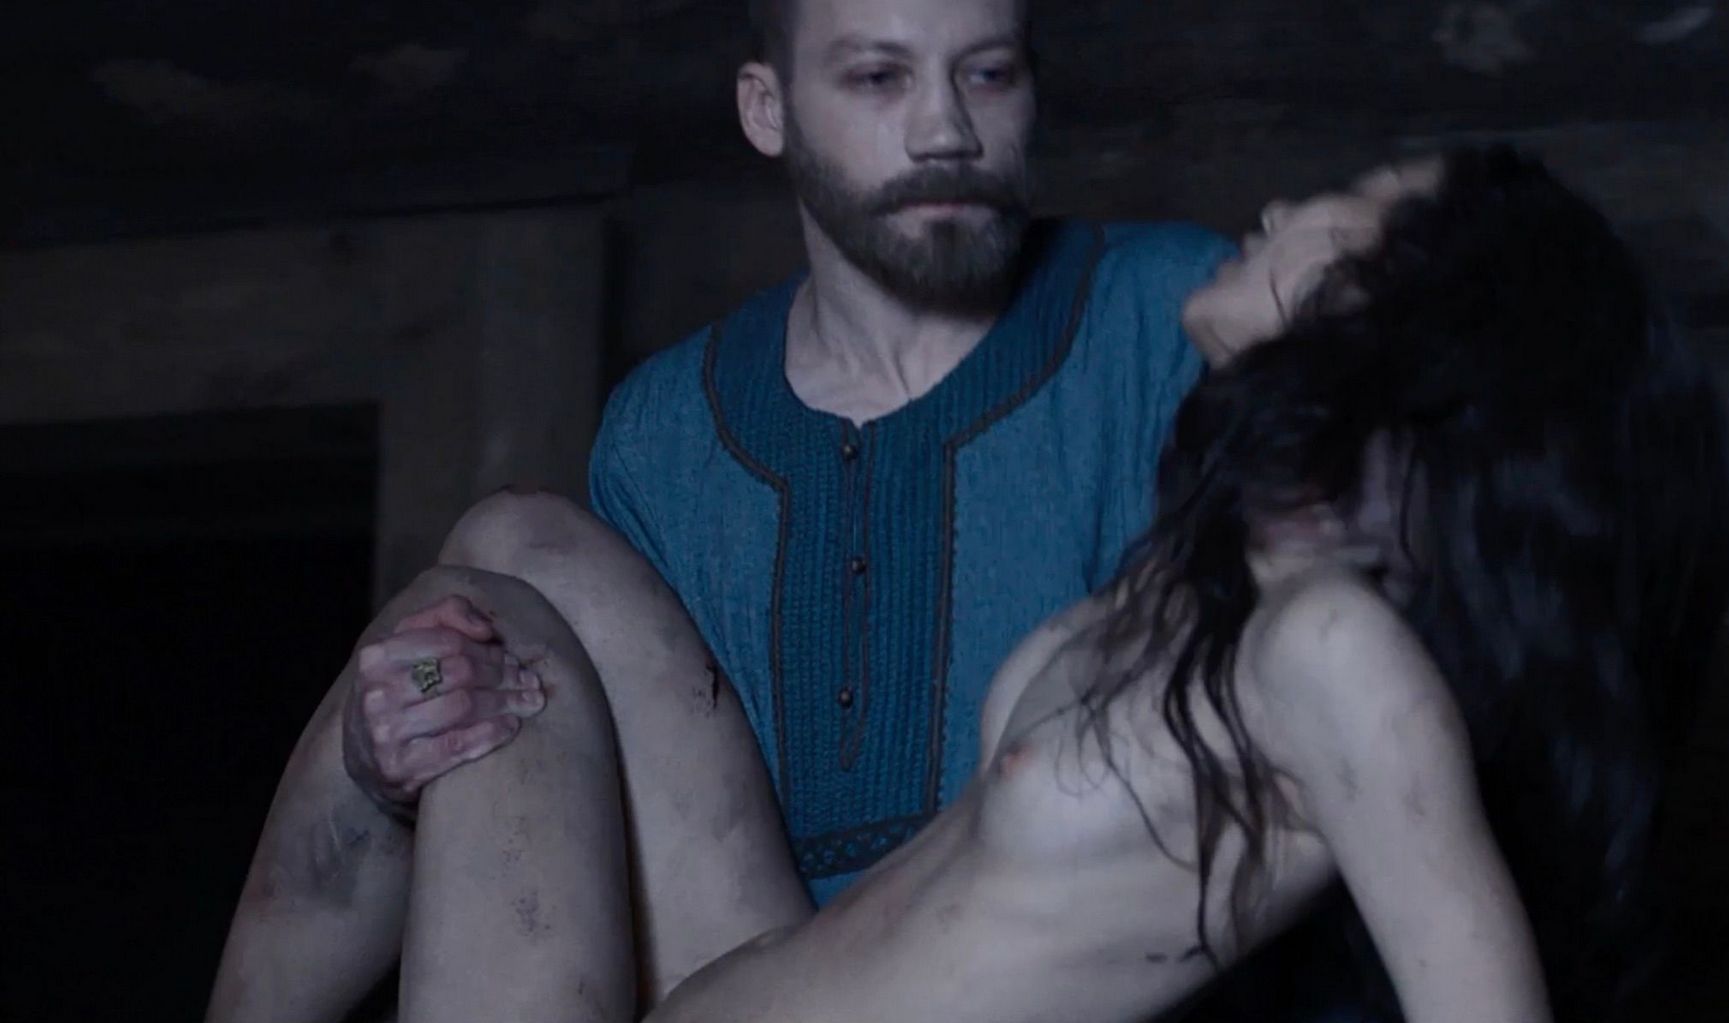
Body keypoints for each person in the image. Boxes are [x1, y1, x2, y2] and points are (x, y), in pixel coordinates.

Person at [209, 0, 1268, 1019]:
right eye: (879, 77)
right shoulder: (662, 431)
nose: (945, 128)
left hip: (1053, 968)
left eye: (988, 73)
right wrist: (394, 752)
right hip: (756, 980)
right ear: (769, 109)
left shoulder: (1180, 313)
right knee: (504, 556)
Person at [635, 146, 1729, 1023]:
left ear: (1407, 312)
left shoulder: (1337, 652)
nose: (1279, 208)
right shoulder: (1200, 581)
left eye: (1351, 202)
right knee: (548, 562)